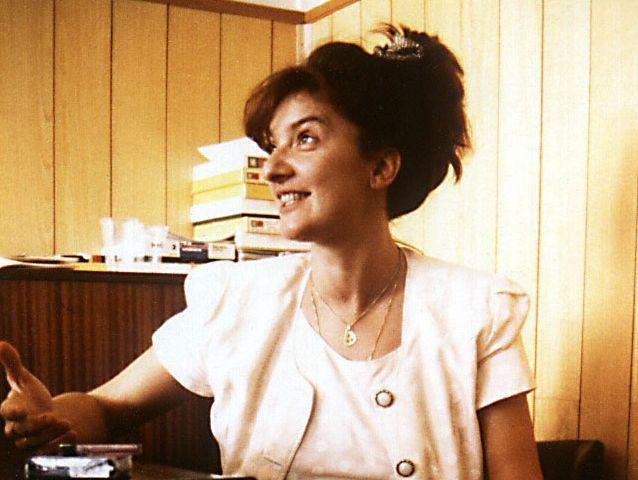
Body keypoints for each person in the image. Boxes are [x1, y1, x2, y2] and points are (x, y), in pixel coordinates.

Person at [0, 25, 542, 479]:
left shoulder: (474, 311)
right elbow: (107, 405)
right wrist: (52, 416)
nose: (273, 169)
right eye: (272, 145)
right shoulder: (238, 301)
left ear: (380, 167)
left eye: (305, 139)